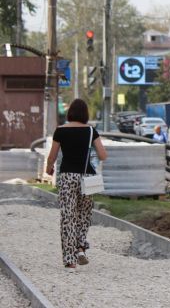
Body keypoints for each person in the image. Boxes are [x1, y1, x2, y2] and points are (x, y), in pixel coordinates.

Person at [46, 99, 107, 270]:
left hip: (67, 177)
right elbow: (103, 155)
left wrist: (49, 168)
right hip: (87, 177)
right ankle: (80, 247)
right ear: (85, 114)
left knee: (68, 217)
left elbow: (52, 156)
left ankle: (69, 259)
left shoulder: (60, 131)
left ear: (70, 113)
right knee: (83, 215)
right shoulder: (90, 131)